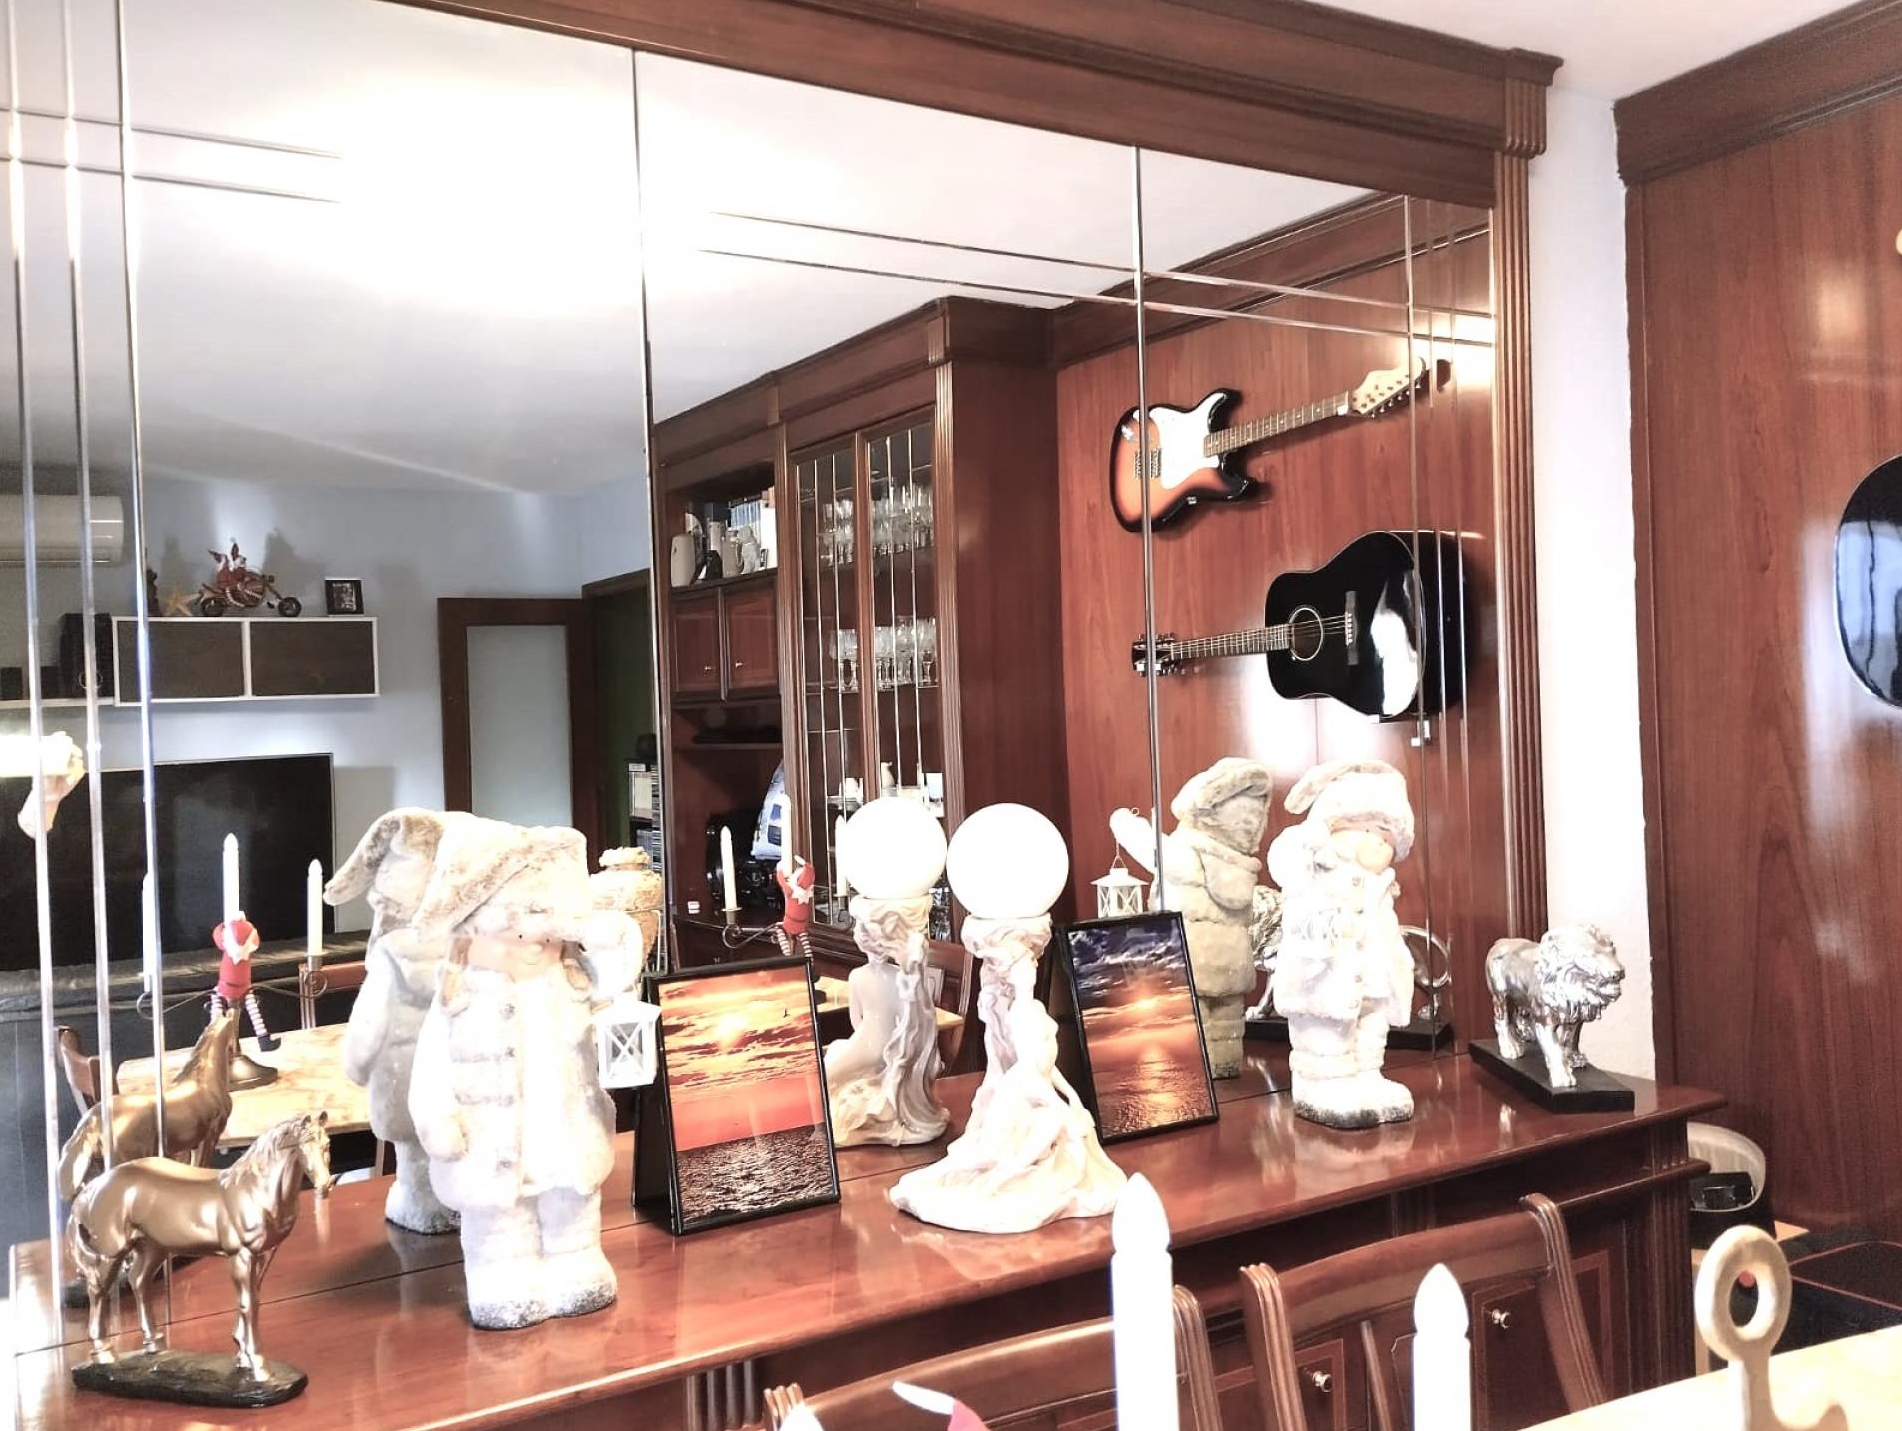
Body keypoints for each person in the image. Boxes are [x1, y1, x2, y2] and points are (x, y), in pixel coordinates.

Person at [209, 914, 278, 1052]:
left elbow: (217, 935)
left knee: (217, 1012)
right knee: (254, 1013)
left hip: (229, 986)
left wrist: (223, 925)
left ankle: (213, 1042)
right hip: (243, 986)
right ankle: (263, 1040)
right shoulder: (249, 943)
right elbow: (254, 938)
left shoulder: (228, 944)